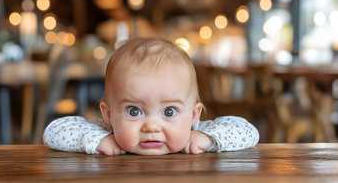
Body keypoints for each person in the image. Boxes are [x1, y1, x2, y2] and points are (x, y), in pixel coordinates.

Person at [43, 37, 259, 155]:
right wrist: (97, 141)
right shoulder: (107, 132)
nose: (152, 126)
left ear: (193, 115)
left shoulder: (196, 132)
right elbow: (53, 132)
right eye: (134, 111)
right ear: (109, 115)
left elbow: (248, 131)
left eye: (169, 111)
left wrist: (209, 139)